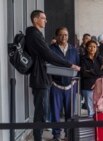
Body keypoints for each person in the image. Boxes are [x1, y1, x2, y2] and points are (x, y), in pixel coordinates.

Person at [25, 10, 80, 141]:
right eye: (43, 18)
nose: (46, 21)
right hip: (40, 78)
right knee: (41, 112)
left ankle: (39, 137)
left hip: (42, 78)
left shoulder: (37, 34)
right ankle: (38, 138)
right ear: (35, 20)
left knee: (43, 111)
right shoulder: (34, 34)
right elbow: (48, 55)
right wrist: (69, 65)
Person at [49, 27, 80, 141]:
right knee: (55, 112)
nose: (63, 37)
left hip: (71, 86)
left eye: (66, 35)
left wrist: (76, 84)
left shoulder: (74, 50)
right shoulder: (51, 49)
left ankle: (68, 134)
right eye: (61, 35)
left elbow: (78, 66)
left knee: (70, 113)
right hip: (55, 85)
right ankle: (56, 135)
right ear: (56, 36)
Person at [80, 40, 103, 117]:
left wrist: (91, 71)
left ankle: (99, 126)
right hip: (87, 86)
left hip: (98, 85)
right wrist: (97, 71)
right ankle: (92, 126)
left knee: (99, 107)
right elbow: (84, 73)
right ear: (87, 48)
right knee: (90, 110)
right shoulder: (83, 58)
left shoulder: (100, 58)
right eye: (90, 46)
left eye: (94, 47)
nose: (92, 48)